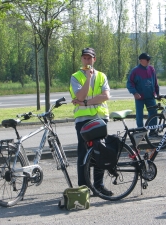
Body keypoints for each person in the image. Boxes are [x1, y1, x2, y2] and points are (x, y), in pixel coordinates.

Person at [69, 47, 112, 195]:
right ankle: (84, 187)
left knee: (100, 151)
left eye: (90, 58)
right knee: (83, 153)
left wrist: (87, 103)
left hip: (100, 118)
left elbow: (106, 96)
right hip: (83, 120)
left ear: (94, 59)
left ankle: (99, 186)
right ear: (81, 59)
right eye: (85, 58)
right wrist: (88, 78)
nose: (87, 61)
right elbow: (80, 96)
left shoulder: (101, 76)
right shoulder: (76, 77)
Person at [126, 52, 160, 134]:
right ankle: (141, 132)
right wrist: (134, 93)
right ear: (141, 61)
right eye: (147, 59)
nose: (149, 61)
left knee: (153, 113)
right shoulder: (135, 71)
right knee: (139, 115)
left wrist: (157, 93)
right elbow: (129, 83)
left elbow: (155, 82)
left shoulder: (152, 69)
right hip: (139, 97)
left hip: (150, 96)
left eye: (149, 59)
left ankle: (153, 131)